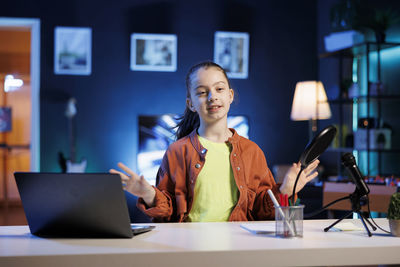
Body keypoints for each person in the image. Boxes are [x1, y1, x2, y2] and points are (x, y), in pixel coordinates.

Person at [110, 61, 319, 222]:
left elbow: (262, 213)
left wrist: (285, 190)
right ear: (191, 103)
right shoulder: (176, 152)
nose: (212, 97)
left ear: (230, 96)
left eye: (219, 89)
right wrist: (148, 193)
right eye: (202, 92)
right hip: (189, 250)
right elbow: (167, 215)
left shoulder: (252, 151)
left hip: (239, 250)